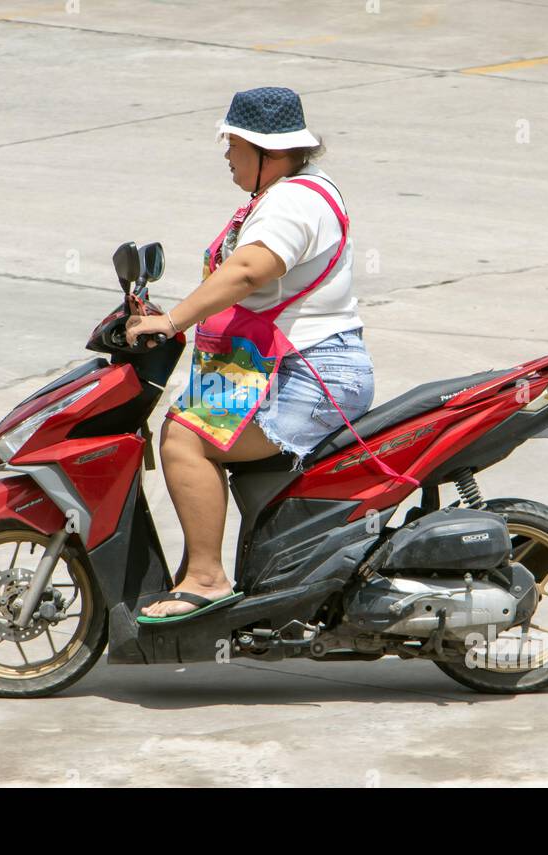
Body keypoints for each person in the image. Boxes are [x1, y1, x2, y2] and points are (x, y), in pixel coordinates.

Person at [125, 86, 374, 622]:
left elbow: (247, 271)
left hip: (310, 373)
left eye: (232, 143)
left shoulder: (294, 200)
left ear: (266, 151)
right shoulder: (295, 191)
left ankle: (207, 579)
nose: (226, 155)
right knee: (189, 427)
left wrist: (172, 322)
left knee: (185, 439)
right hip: (289, 367)